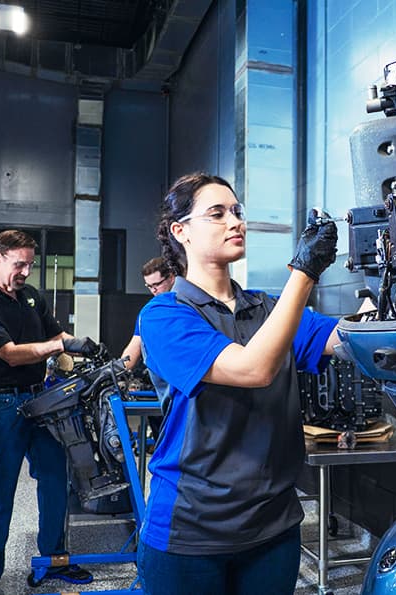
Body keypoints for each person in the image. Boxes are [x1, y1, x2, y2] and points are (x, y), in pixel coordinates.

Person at [135, 172, 340, 595]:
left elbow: (346, 339)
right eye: (217, 213)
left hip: (272, 527)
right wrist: (304, 272)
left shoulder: (268, 309)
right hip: (190, 530)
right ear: (181, 232)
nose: (235, 221)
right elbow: (252, 369)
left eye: (237, 212)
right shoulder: (164, 315)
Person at [0, 230, 99, 595]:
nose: (25, 271)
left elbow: (58, 334)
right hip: (1, 405)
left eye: (30, 265)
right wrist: (57, 345)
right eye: (18, 263)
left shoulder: (30, 297)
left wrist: (83, 347)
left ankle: (54, 559)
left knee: (57, 481)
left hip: (42, 403)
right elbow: (9, 353)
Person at [120, 257, 175, 370]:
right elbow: (134, 347)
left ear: (171, 278)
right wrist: (118, 370)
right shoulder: (150, 312)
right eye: (149, 286)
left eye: (157, 284)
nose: (153, 290)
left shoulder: (188, 304)